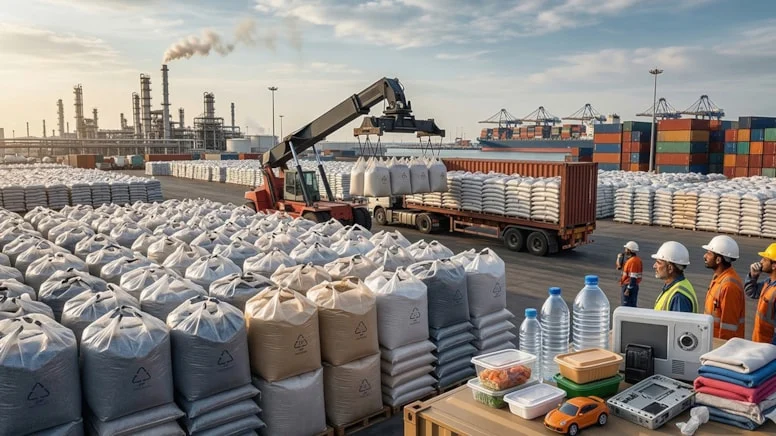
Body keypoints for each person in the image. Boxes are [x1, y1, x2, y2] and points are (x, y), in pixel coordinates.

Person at [702, 235, 745, 339]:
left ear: (718, 260)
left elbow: (728, 326)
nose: (705, 256)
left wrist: (720, 350)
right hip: (711, 340)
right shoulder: (718, 277)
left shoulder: (729, 286)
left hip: (721, 347)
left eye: (709, 253)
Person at [651, 241, 698, 313]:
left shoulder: (678, 296)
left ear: (670, 268)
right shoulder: (674, 288)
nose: (654, 266)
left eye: (658, 263)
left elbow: (679, 323)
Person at [744, 242, 776, 344]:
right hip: (759, 340)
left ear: (774, 266)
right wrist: (753, 276)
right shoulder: (768, 282)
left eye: (765, 259)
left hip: (770, 346)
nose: (761, 262)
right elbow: (751, 292)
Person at [619, 241, 642, 307]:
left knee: (626, 306)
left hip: (629, 285)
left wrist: (628, 289)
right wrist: (619, 258)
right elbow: (619, 267)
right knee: (631, 305)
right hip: (631, 285)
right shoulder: (634, 260)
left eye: (626, 249)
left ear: (629, 250)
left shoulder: (633, 261)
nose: (625, 250)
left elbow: (633, 277)